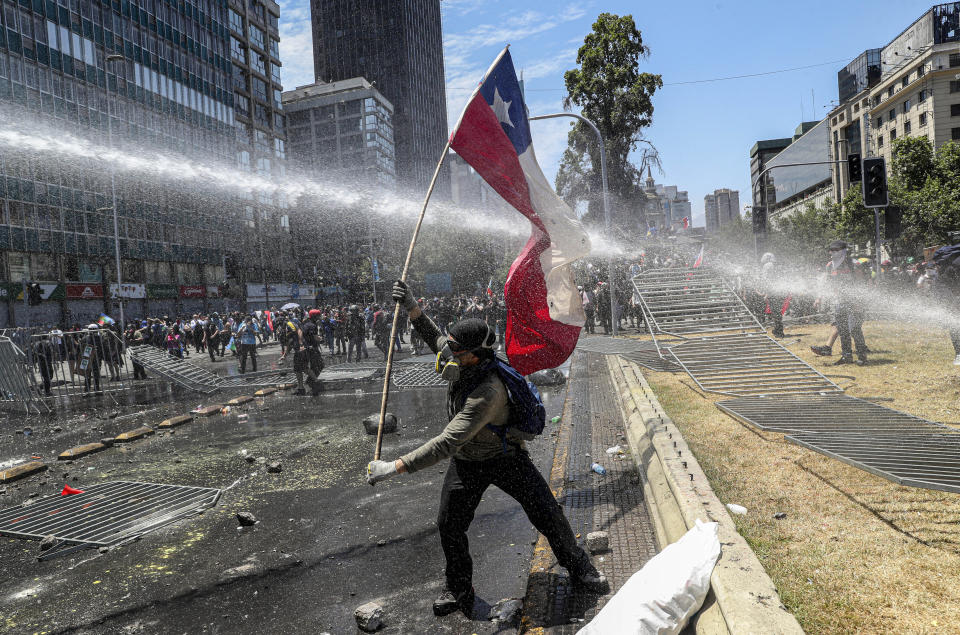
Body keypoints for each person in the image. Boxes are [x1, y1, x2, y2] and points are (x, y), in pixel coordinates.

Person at [366, 280, 608, 617]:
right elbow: (432, 334)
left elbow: (449, 440)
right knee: (450, 526)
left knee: (547, 514)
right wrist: (411, 306)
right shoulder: (461, 356)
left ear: (475, 354)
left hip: (504, 457)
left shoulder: (488, 391)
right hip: (467, 463)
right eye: (448, 349)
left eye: (456, 352)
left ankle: (580, 567)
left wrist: (394, 467)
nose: (446, 356)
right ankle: (458, 588)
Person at [826, 240, 868, 366]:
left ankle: (862, 356)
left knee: (854, 328)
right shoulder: (829, 266)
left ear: (844, 250)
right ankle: (846, 356)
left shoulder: (854, 264)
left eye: (836, 250)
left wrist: (859, 301)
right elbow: (829, 283)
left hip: (856, 301)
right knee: (843, 329)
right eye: (831, 250)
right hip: (840, 301)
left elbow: (861, 284)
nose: (833, 252)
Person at [759, 252, 785, 338]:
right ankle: (778, 329)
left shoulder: (767, 266)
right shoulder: (776, 265)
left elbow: (767, 281)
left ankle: (778, 330)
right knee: (778, 312)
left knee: (775, 312)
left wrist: (767, 293)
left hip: (772, 292)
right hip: (779, 292)